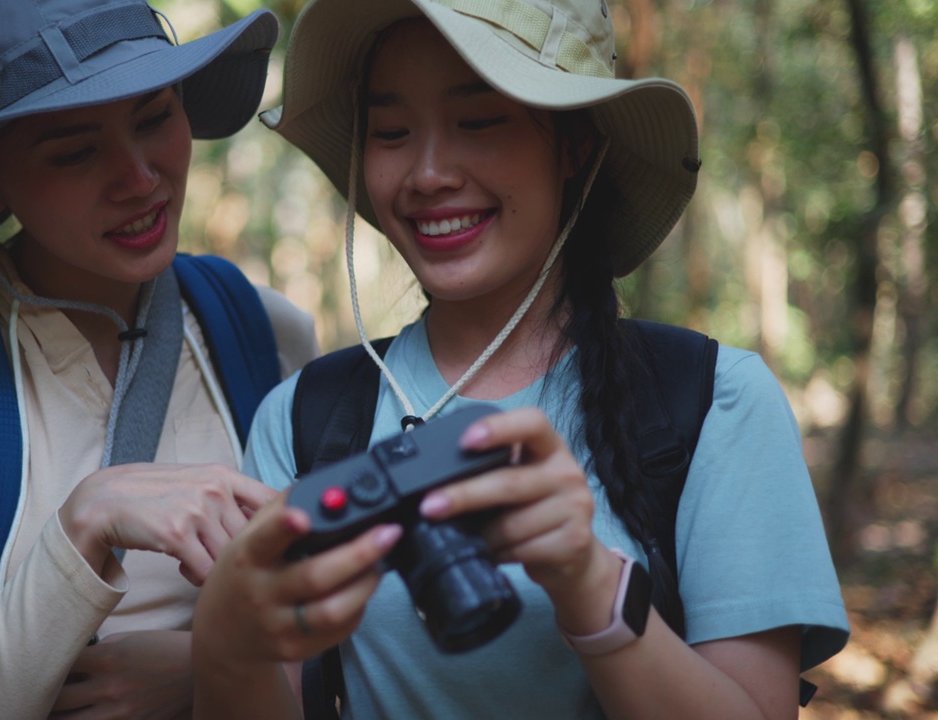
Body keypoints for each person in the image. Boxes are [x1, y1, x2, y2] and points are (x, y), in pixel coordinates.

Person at [190, 0, 849, 717]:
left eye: (479, 121)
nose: (429, 172)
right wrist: (228, 639)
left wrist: (589, 583)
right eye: (391, 132)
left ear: (576, 146)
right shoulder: (303, 421)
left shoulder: (712, 403)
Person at [0, 0, 318, 717]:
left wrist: (205, 666)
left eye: (154, 117)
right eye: (74, 151)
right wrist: (91, 515)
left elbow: (329, 626)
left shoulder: (259, 332)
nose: (139, 178)